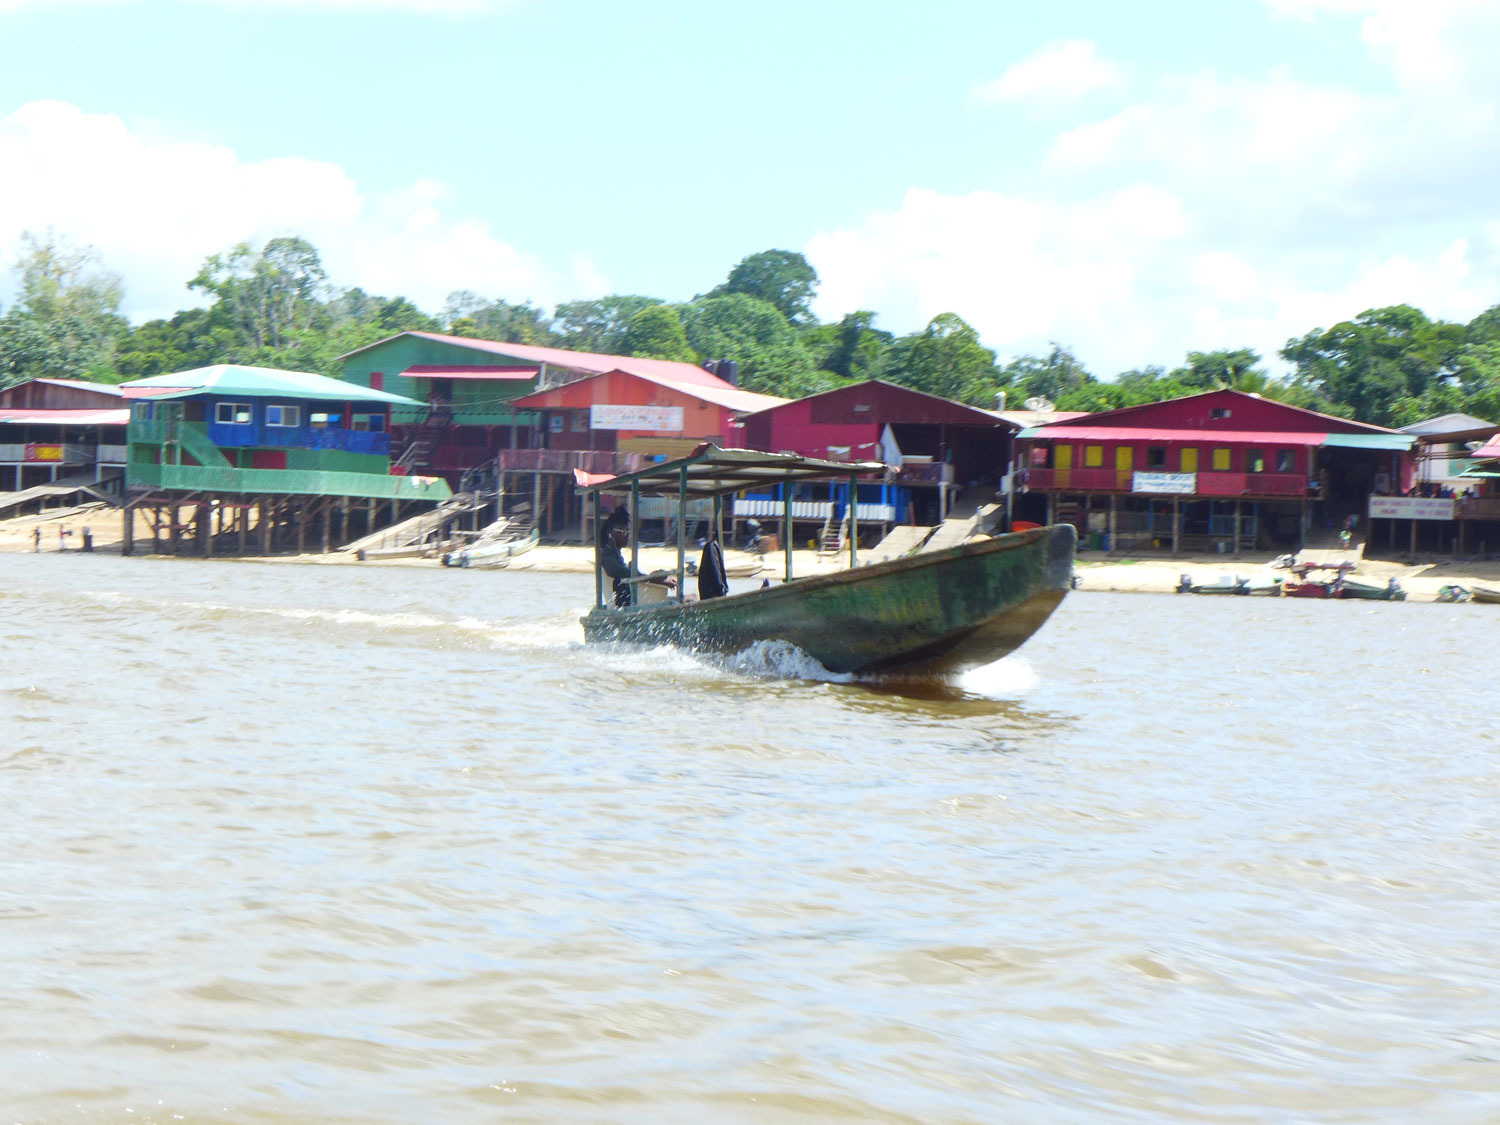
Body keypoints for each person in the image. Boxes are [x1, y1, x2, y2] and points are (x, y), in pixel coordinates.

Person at [599, 506, 674, 608]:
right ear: (610, 533)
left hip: (632, 599)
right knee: (688, 599)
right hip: (625, 605)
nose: (627, 535)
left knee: (688, 598)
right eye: (623, 532)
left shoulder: (615, 554)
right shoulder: (607, 554)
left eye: (628, 531)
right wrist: (650, 578)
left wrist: (652, 578)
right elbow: (614, 570)